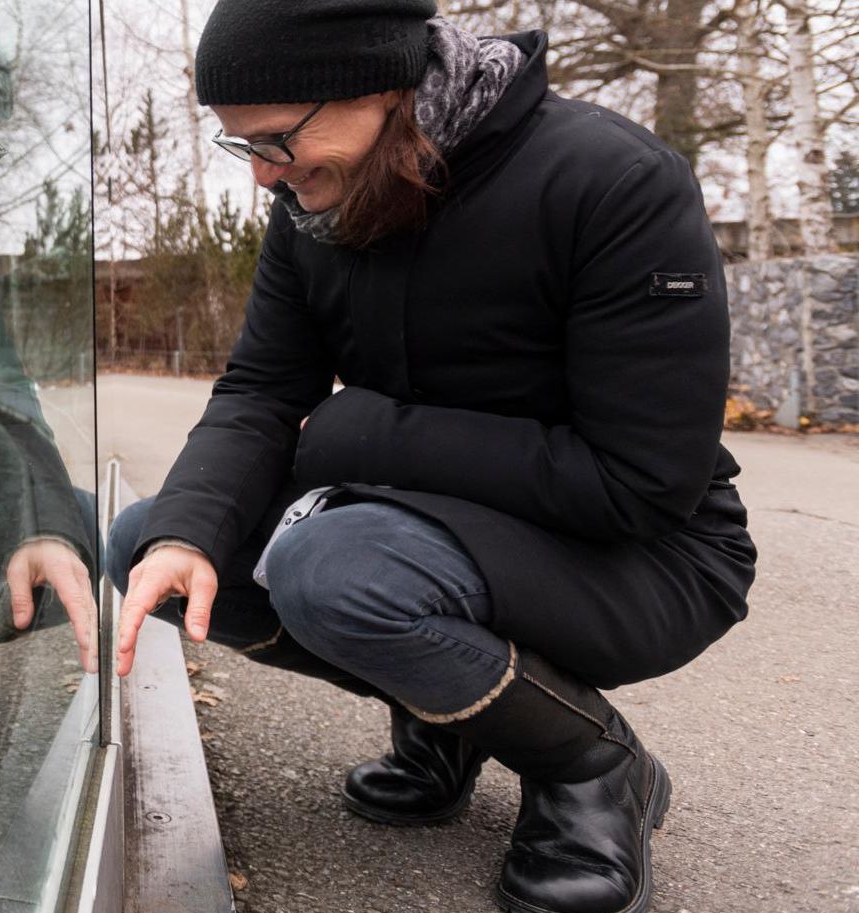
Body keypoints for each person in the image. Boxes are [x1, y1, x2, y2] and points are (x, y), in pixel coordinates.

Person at [102, 4, 758, 913]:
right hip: (435, 527)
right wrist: (186, 530)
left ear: (378, 88)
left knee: (334, 567)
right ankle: (447, 715)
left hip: (648, 554)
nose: (261, 175)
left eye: (276, 141)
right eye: (239, 147)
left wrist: (356, 432)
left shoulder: (611, 180)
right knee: (148, 544)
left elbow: (639, 483)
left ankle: (593, 763)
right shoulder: (312, 208)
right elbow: (260, 392)